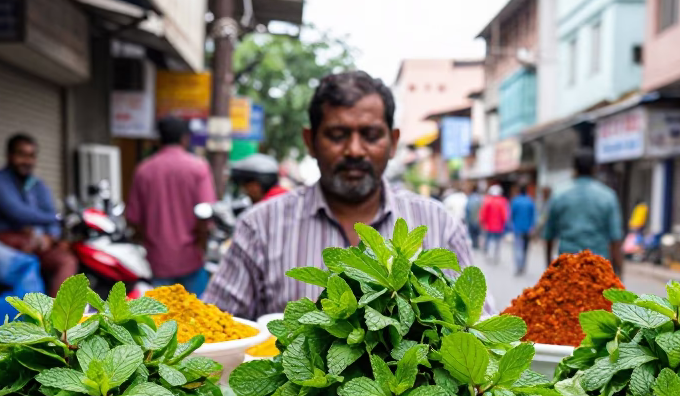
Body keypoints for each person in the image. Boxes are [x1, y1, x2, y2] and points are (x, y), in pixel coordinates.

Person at [202, 70, 480, 319]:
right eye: (337, 135)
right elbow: (218, 330)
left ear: (393, 143)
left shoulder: (439, 225)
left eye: (371, 135)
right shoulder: (260, 226)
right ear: (310, 142)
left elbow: (475, 327)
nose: (355, 150)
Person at [0, 133, 77, 296]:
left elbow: (49, 213)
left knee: (66, 260)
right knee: (28, 260)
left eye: (31, 156)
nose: (27, 161)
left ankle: (59, 317)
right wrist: (58, 218)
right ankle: (34, 316)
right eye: (21, 155)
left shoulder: (37, 184)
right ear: (9, 156)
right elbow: (17, 213)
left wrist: (51, 236)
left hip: (31, 241)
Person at [126, 117, 218, 296]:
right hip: (191, 260)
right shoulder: (198, 167)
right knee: (200, 318)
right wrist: (202, 246)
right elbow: (206, 214)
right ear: (185, 138)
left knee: (159, 321)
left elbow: (133, 218)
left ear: (158, 139)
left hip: (157, 262)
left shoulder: (144, 170)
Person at [543, 158, 623, 275]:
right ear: (594, 169)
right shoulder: (608, 196)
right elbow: (615, 238)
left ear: (574, 170)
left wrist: (549, 269)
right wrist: (619, 273)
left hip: (567, 267)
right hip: (598, 268)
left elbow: (549, 235)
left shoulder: (559, 194)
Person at [509, 184, 536, 276]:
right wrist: (532, 227)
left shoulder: (516, 201)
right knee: (525, 249)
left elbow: (511, 215)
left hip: (518, 229)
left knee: (518, 248)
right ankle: (523, 265)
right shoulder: (530, 201)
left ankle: (519, 266)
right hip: (527, 229)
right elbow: (533, 215)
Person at [479, 185, 509, 264]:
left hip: (488, 226)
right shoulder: (502, 201)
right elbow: (505, 215)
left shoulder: (487, 200)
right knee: (497, 242)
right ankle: (496, 255)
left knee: (488, 240)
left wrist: (482, 221)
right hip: (499, 226)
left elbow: (483, 213)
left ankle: (488, 254)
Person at [466, 183, 485, 249]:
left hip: (472, 219)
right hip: (479, 219)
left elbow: (467, 209)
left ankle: (474, 244)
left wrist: (467, 219)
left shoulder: (470, 198)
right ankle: (477, 244)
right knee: (478, 233)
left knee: (473, 234)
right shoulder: (481, 198)